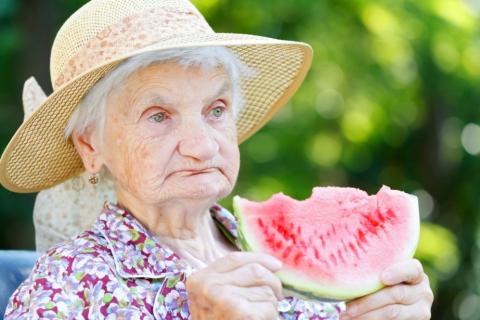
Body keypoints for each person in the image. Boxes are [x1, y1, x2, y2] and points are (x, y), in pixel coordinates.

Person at [0, 0, 433, 319]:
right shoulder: (63, 289)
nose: (202, 146)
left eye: (216, 109)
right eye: (159, 116)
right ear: (90, 147)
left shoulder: (294, 268)